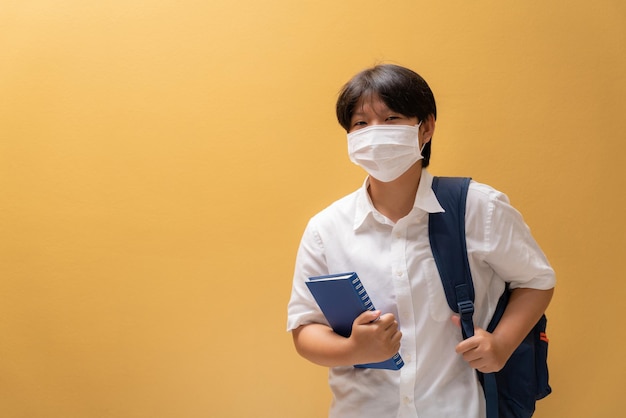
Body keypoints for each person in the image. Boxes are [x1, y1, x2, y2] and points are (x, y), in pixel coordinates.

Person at [286, 64, 555, 418]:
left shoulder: (479, 207)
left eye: (392, 118)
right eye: (361, 123)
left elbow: (536, 280)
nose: (375, 133)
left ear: (425, 127)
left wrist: (501, 344)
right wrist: (355, 348)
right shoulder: (325, 229)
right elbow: (305, 328)